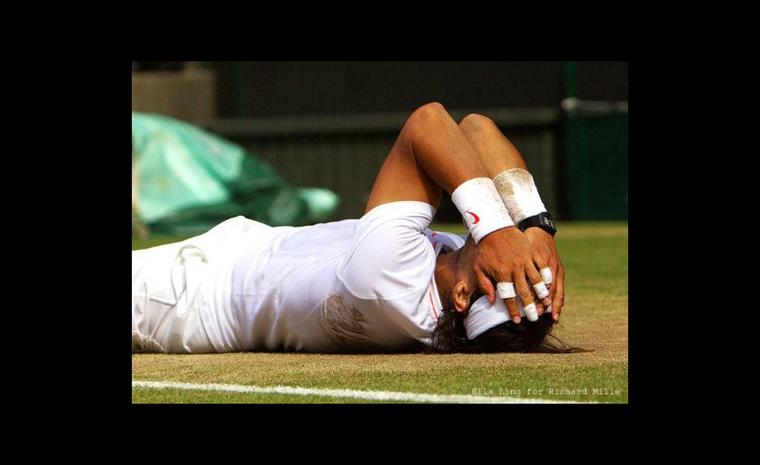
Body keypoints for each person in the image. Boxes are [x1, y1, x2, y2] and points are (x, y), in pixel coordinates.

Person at [132, 102, 568, 354]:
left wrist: (496, 231)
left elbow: (429, 121)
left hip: (186, 297)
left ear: (458, 296)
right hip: (228, 262)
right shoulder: (450, 279)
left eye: (504, 274)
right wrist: (534, 228)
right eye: (525, 270)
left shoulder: (391, 280)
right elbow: (474, 128)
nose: (512, 260)